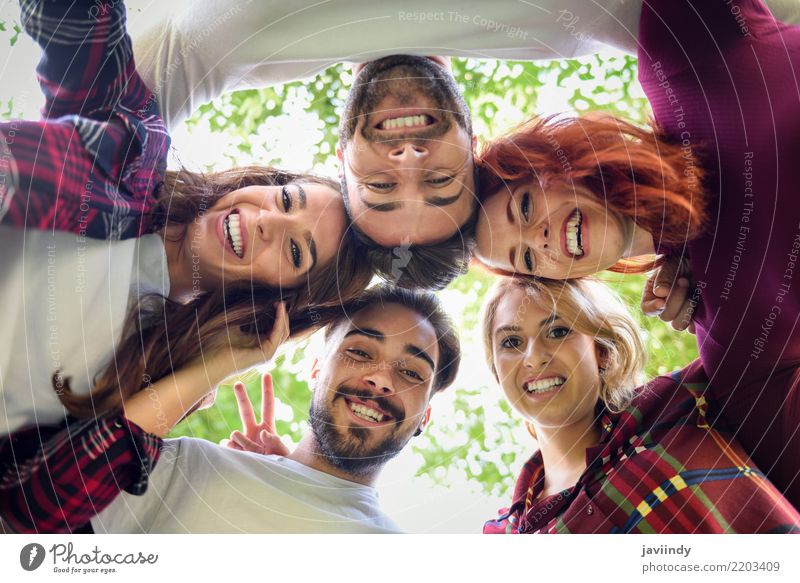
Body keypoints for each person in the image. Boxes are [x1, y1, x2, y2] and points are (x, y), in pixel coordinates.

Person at [125, 0, 799, 289]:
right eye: (440, 184)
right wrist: (673, 242)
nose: (410, 161)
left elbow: (112, 139)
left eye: (381, 188)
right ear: (473, 143)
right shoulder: (569, 26)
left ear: (340, 164)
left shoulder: (240, 42)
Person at [473, 1, 800, 507]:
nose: (539, 238)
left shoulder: (686, 59)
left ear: (554, 163)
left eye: (525, 205)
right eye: (528, 259)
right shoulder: (729, 329)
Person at [0, 0, 373, 436]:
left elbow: (53, 496)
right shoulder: (131, 154)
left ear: (276, 300)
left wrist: (214, 366)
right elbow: (78, 26)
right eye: (287, 199)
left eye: (295, 251)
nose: (270, 221)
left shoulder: (151, 372)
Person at [0, 285, 461, 533]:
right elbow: (31, 514)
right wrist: (215, 368)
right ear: (316, 369)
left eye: (411, 373)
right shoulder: (191, 468)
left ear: (426, 417)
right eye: (360, 352)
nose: (381, 378)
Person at [480, 276, 800, 533]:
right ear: (497, 369)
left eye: (558, 330)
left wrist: (702, 274)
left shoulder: (682, 401)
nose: (534, 357)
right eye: (511, 342)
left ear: (602, 352)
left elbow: (775, 318)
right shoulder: (501, 540)